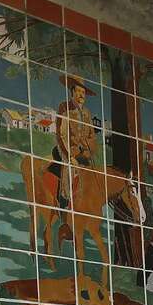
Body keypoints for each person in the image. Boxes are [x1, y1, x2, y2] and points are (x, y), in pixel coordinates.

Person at [51, 74, 99, 209]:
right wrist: (70, 156)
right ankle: (64, 203)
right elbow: (61, 134)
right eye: (78, 91)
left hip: (83, 153)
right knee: (69, 170)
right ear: (72, 92)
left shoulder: (87, 113)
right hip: (67, 151)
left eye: (83, 92)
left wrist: (86, 152)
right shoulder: (64, 108)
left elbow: (92, 137)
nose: (81, 95)